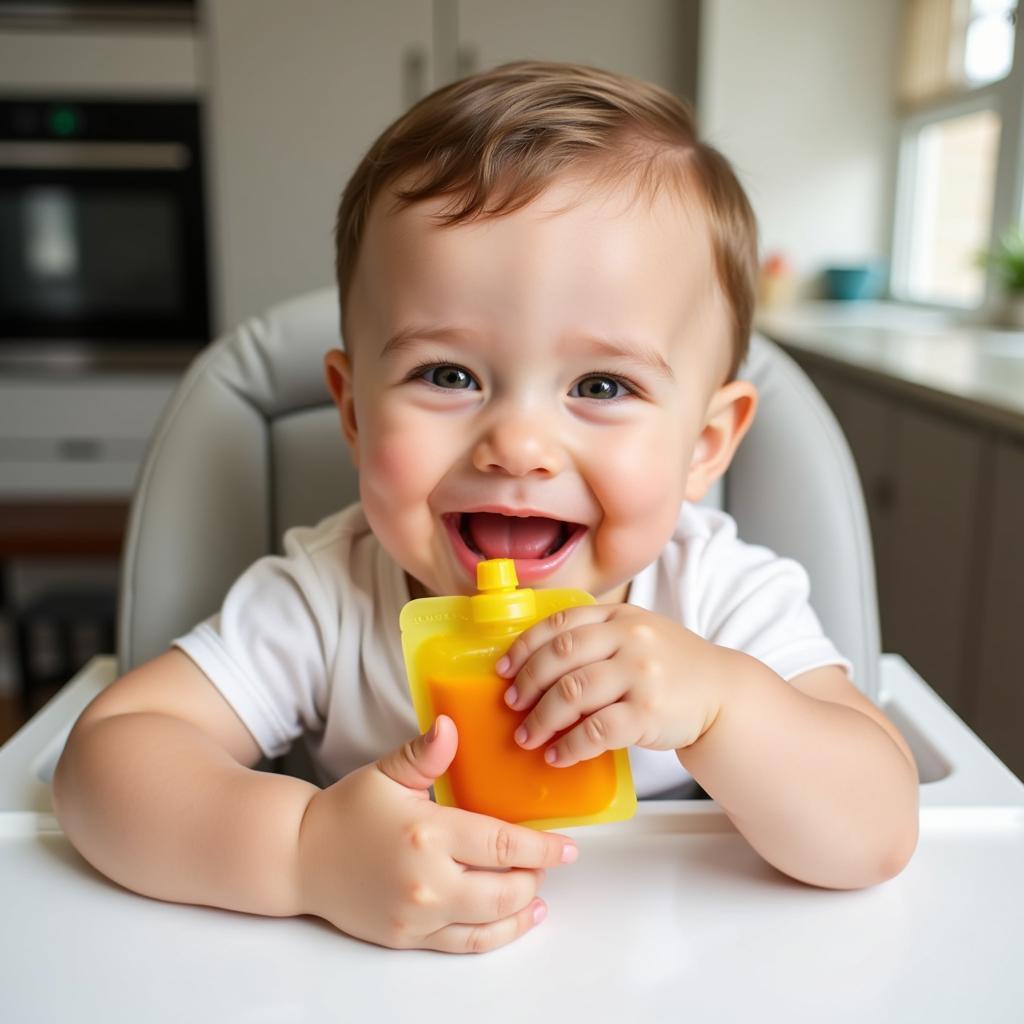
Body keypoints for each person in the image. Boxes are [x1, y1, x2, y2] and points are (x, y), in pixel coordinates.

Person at [52, 61, 919, 955]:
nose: (517, 444)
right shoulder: (328, 599)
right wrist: (304, 857)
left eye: (601, 384)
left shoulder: (720, 600)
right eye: (448, 375)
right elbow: (108, 763)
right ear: (352, 413)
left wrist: (724, 707)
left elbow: (879, 827)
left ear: (705, 445)